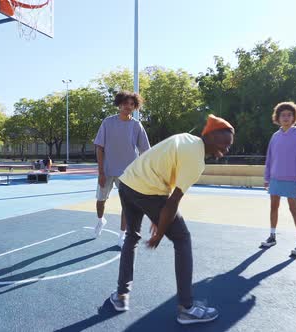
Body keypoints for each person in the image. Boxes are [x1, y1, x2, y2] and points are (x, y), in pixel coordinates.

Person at [109, 114, 234, 325]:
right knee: (182, 239)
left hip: (127, 183)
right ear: (211, 136)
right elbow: (172, 201)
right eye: (225, 143)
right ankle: (186, 308)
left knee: (131, 236)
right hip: (148, 191)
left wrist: (158, 217)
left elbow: (161, 168)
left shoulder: (186, 138)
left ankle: (121, 296)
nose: (227, 148)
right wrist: (159, 232)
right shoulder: (196, 160)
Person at [93, 91, 150, 247]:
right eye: (125, 103)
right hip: (107, 170)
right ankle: (100, 220)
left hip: (128, 173)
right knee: (100, 201)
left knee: (126, 205)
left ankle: (121, 235)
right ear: (119, 104)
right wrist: (101, 172)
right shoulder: (107, 122)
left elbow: (145, 150)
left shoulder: (136, 125)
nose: (128, 107)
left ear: (135, 106)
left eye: (132, 104)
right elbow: (99, 148)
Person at [260, 102, 296, 257]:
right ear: (278, 117)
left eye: (289, 115)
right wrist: (267, 177)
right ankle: (272, 236)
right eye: (283, 115)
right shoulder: (275, 136)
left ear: (294, 117)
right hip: (275, 179)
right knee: (273, 207)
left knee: (293, 209)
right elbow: (269, 158)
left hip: (292, 179)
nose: (286, 118)